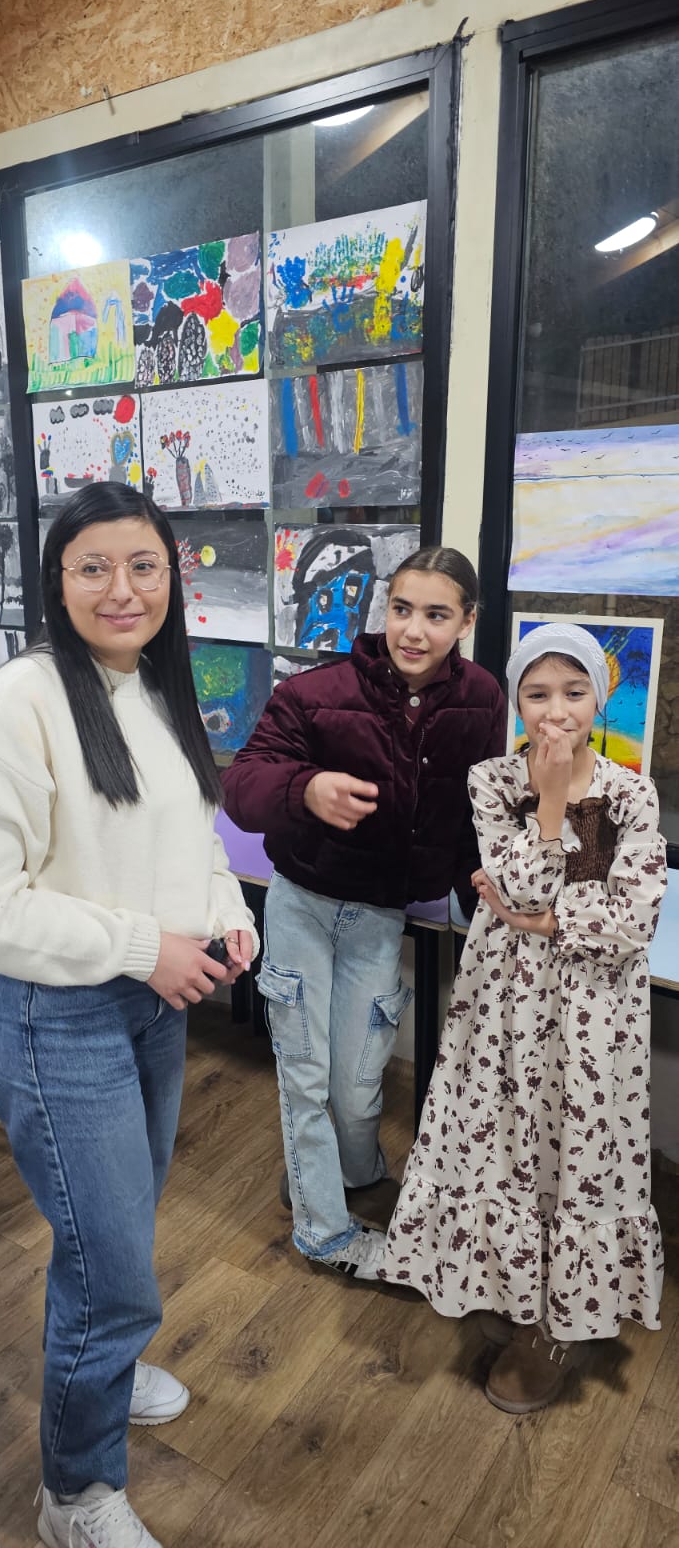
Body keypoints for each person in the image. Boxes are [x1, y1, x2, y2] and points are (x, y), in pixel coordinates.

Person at [0, 482, 257, 1548]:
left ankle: (104, 1363)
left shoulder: (155, 686)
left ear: (172, 577)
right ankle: (73, 1493)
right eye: (93, 567)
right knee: (112, 1265)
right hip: (56, 1017)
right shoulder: (20, 701)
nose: (122, 589)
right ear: (57, 580)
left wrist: (222, 914)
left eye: (143, 566)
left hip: (152, 1003)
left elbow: (192, 840)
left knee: (114, 1229)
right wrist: (143, 947)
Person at [380, 622, 667, 1413]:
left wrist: (542, 919)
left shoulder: (629, 792)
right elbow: (521, 890)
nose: (555, 710)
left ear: (596, 700)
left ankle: (558, 1326)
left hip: (593, 1009)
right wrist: (547, 808)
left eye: (573, 692)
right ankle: (509, 1286)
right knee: (505, 1136)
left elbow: (629, 919)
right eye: (536, 694)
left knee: (576, 1142)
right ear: (516, 702)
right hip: (502, 998)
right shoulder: (491, 781)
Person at [223, 546, 506, 1282]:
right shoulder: (316, 691)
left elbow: (472, 816)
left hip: (379, 916)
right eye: (401, 609)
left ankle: (343, 1173)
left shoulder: (482, 697)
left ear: (466, 622)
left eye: (436, 615)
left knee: (356, 1082)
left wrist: (483, 903)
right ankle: (324, 1234)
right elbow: (243, 786)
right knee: (306, 1078)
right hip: (303, 906)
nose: (412, 630)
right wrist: (305, 788)